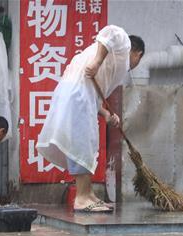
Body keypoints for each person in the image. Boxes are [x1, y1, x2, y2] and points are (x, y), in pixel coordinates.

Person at [37, 27, 144, 213]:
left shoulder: (113, 63)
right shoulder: (124, 46)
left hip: (78, 93)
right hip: (77, 93)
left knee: (86, 143)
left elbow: (94, 98)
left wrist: (106, 115)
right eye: (138, 60)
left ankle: (88, 194)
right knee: (82, 143)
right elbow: (110, 32)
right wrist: (96, 61)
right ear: (138, 53)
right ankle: (81, 198)